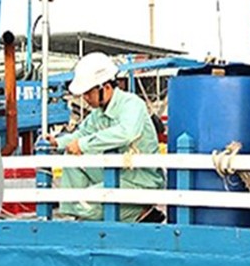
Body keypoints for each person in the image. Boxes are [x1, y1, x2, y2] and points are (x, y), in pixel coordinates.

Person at [45, 52, 165, 222]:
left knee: (85, 202)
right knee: (72, 159)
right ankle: (81, 211)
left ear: (105, 88)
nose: (85, 99)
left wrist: (83, 145)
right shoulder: (98, 114)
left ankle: (138, 214)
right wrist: (57, 142)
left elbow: (126, 132)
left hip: (140, 180)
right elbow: (82, 133)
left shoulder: (132, 104)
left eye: (88, 93)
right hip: (115, 173)